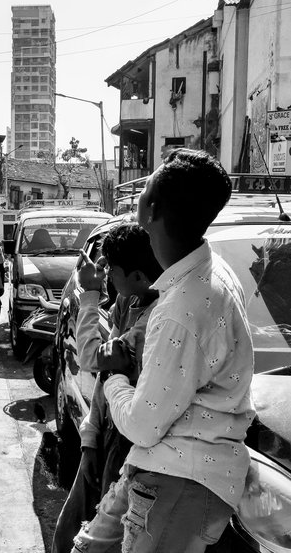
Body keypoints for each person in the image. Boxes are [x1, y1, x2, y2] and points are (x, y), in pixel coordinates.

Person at [71, 149, 255, 553]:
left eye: (148, 183)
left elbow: (140, 425)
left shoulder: (180, 308)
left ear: (150, 210)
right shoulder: (209, 272)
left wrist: (115, 375)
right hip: (163, 469)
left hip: (180, 478)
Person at [51, 223, 162, 553]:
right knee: (68, 528)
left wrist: (88, 297)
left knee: (98, 537)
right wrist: (89, 438)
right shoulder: (128, 302)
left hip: (129, 442)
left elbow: (92, 358)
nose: (106, 278)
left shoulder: (154, 319)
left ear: (139, 275)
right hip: (105, 430)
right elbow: (103, 379)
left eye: (111, 271)